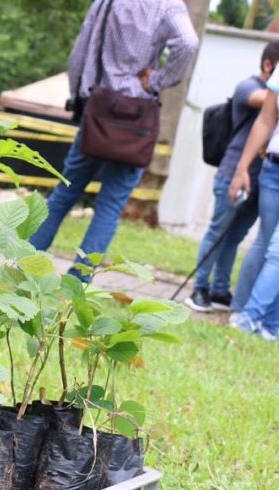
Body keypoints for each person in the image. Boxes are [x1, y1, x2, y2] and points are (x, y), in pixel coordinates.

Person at [29, 0, 198, 281]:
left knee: (65, 193)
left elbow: (80, 52)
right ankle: (77, 280)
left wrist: (77, 96)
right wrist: (158, 80)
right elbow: (188, 43)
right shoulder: (168, 5)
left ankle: (26, 261)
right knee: (110, 206)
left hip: (98, 110)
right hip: (136, 119)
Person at [185, 42, 279, 312]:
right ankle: (199, 288)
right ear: (268, 65)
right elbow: (263, 100)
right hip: (234, 173)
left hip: (261, 179)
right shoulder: (248, 87)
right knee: (217, 231)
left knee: (234, 236)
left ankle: (219, 290)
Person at [228, 72, 279, 341]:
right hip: (273, 169)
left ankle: (250, 319)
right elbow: (266, 119)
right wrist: (242, 167)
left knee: (277, 252)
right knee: (265, 242)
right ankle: (264, 322)